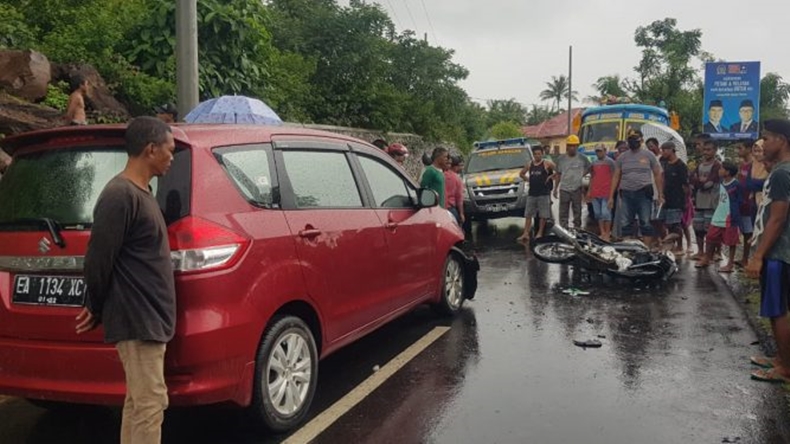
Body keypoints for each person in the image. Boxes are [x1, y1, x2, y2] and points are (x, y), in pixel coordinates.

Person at [76, 116, 177, 444]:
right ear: (150, 149)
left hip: (149, 316)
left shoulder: (142, 192)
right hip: (137, 317)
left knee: (139, 403)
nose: (172, 156)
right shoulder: (120, 195)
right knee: (150, 403)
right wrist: (95, 303)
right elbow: (98, 257)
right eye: (169, 150)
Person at [745, 119, 790, 383]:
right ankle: (781, 359)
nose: (763, 143)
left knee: (777, 310)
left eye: (768, 138)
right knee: (778, 308)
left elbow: (777, 218)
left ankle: (785, 369)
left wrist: (759, 255)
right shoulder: (781, 170)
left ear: (782, 140)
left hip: (777, 254)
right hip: (779, 252)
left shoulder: (783, 173)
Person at [608, 130, 663, 246]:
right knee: (625, 223)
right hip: (626, 194)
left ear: (641, 140)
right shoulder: (622, 158)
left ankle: (646, 249)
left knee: (645, 222)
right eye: (631, 139)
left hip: (644, 193)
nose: (633, 142)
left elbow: (657, 174)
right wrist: (611, 197)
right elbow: (616, 176)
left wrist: (660, 195)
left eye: (636, 139)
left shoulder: (649, 155)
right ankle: (629, 248)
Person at [695, 161, 741, 271]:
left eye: (722, 169)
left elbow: (739, 201)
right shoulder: (720, 182)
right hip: (718, 215)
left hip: (730, 217)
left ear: (728, 172)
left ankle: (730, 264)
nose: (719, 171)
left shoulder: (736, 185)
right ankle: (707, 257)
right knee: (710, 237)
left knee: (731, 242)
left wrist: (735, 215)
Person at [690, 137, 722, 259]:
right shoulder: (699, 165)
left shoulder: (717, 166)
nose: (705, 152)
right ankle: (700, 251)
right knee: (698, 228)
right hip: (699, 202)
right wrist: (700, 182)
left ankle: (712, 253)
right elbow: (692, 180)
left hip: (711, 202)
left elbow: (709, 184)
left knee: (710, 229)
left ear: (715, 150)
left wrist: (700, 182)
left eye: (709, 150)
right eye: (704, 150)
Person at [518, 145, 556, 241]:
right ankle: (526, 233)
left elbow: (559, 170)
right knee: (528, 214)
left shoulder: (546, 163)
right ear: (533, 155)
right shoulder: (530, 164)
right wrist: (528, 180)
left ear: (542, 154)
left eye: (539, 154)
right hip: (532, 193)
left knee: (543, 215)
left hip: (543, 193)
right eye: (535, 154)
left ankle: (539, 233)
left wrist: (550, 177)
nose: (537, 156)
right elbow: (521, 173)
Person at [554, 135, 591, 229]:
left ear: (577, 146)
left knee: (577, 211)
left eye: (574, 146)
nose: (572, 148)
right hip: (564, 189)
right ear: (567, 146)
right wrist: (555, 189)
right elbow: (558, 174)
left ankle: (577, 229)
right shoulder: (561, 159)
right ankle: (564, 229)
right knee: (563, 212)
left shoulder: (583, 158)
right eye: (570, 145)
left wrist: (581, 174)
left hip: (577, 189)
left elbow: (590, 168)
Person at [659, 141, 690, 254]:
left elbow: (685, 185)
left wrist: (686, 200)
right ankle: (673, 245)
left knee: (676, 224)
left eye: (665, 150)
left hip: (677, 198)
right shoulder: (665, 164)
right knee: (668, 224)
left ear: (672, 149)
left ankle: (680, 246)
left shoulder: (681, 165)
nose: (663, 152)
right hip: (667, 197)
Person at [586, 145, 615, 240]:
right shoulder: (593, 163)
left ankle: (607, 232)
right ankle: (602, 232)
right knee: (598, 214)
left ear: (605, 151)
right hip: (595, 192)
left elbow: (615, 176)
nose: (599, 153)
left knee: (606, 213)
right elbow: (592, 177)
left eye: (600, 151)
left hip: (606, 192)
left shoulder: (610, 162)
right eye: (597, 151)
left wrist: (612, 192)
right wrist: (589, 191)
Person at [736, 139, 757, 265]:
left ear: (749, 149)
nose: (738, 151)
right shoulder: (742, 164)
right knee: (745, 231)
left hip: (750, 203)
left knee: (749, 232)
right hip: (741, 201)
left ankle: (748, 259)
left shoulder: (754, 164)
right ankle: (745, 258)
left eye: (740, 148)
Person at [445, 154, 465, 225]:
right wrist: (461, 214)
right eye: (460, 165)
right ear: (455, 166)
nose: (462, 168)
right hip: (451, 209)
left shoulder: (441, 175)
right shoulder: (457, 179)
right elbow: (459, 198)